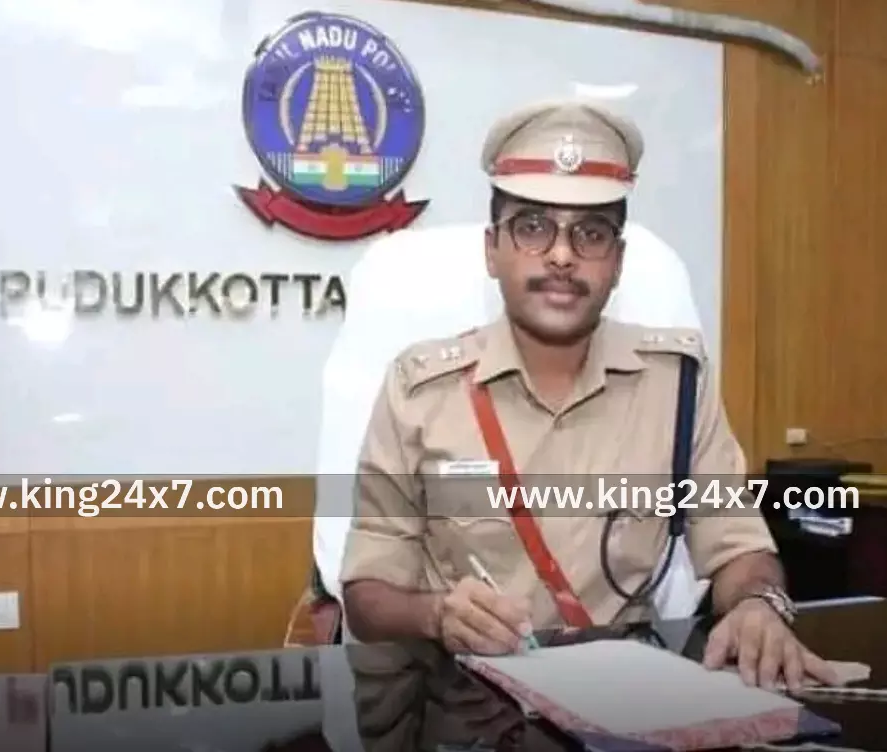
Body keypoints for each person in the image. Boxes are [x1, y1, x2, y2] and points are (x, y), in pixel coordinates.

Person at [339, 99, 839, 690]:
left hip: (626, 700)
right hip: (465, 702)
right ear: (491, 250)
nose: (561, 255)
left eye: (591, 233)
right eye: (532, 227)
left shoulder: (678, 385)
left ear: (618, 262)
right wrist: (436, 615)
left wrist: (758, 604)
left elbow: (740, 551)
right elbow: (367, 596)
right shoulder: (420, 390)